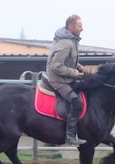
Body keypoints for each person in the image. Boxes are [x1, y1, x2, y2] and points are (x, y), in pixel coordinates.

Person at [46, 14, 87, 145]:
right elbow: (56, 65)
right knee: (76, 102)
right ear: (71, 27)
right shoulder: (66, 44)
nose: (82, 29)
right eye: (80, 26)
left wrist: (80, 67)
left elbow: (70, 60)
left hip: (66, 77)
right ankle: (70, 136)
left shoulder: (72, 40)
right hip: (58, 80)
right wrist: (74, 73)